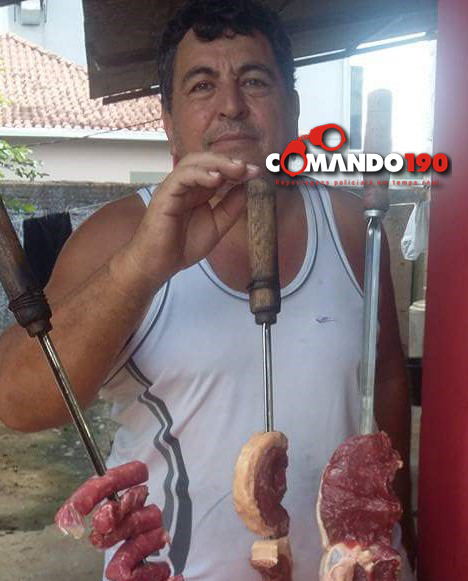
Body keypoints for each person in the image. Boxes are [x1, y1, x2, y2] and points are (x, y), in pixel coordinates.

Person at [0, 0, 416, 579]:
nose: (231, 105)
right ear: (168, 120)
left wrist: (401, 526)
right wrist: (142, 265)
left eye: (255, 80)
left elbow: (387, 375)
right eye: (202, 85)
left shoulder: (350, 224)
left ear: (293, 108)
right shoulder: (116, 234)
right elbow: (18, 403)